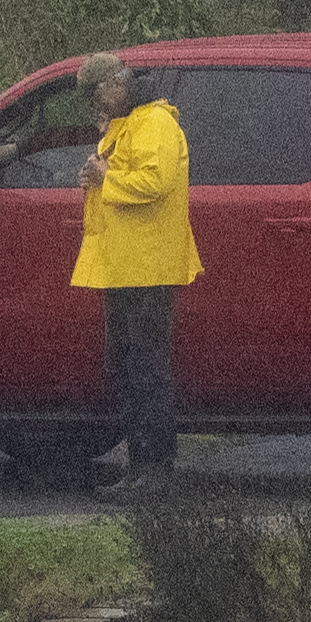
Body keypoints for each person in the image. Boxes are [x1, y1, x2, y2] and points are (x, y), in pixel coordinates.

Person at [72, 50, 196, 487]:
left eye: (97, 99)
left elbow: (155, 182)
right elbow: (123, 175)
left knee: (146, 373)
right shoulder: (129, 124)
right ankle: (140, 468)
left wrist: (105, 177)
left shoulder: (155, 123)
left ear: (113, 85)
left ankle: (153, 471)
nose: (96, 109)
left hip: (147, 268)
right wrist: (98, 174)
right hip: (127, 267)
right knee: (130, 369)